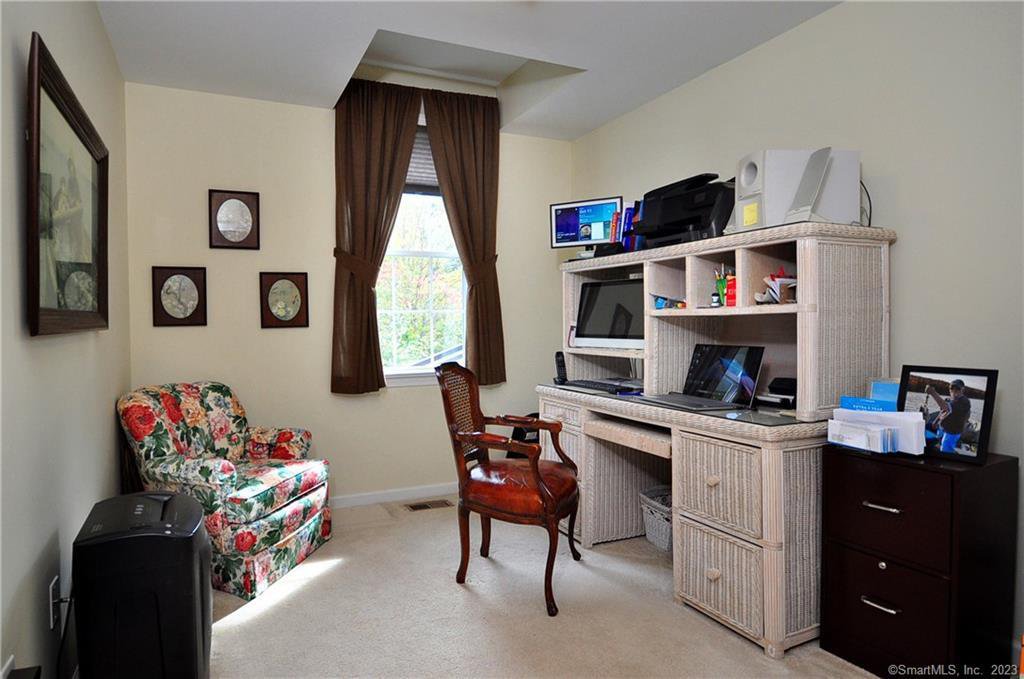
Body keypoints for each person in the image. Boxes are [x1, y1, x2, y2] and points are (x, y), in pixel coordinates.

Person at [925, 379, 972, 453]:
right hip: (943, 427)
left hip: (952, 432)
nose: (954, 390)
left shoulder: (964, 401)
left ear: (962, 390)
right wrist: (935, 422)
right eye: (952, 388)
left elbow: (945, 407)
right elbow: (942, 411)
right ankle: (939, 444)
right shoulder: (949, 399)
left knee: (945, 449)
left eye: (957, 388)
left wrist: (933, 392)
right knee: (935, 435)